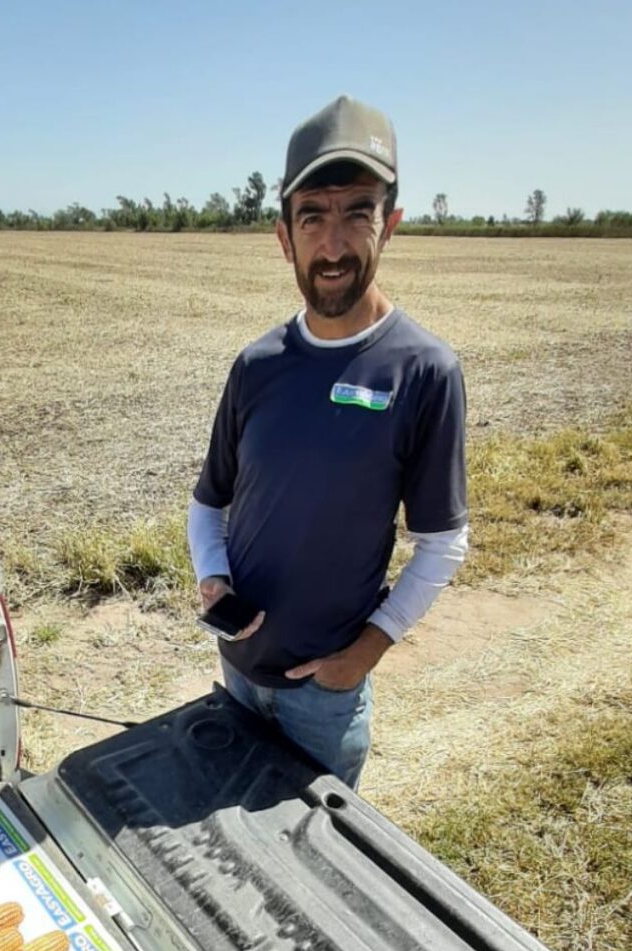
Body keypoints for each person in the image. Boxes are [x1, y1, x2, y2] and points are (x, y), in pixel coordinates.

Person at [188, 95, 468, 790]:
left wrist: (366, 653)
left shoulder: (425, 372)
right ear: (284, 236)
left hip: (326, 700)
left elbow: (442, 543)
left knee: (310, 874)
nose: (334, 244)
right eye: (313, 215)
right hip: (236, 674)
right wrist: (211, 575)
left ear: (390, 225)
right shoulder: (257, 365)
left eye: (357, 213)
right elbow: (206, 505)